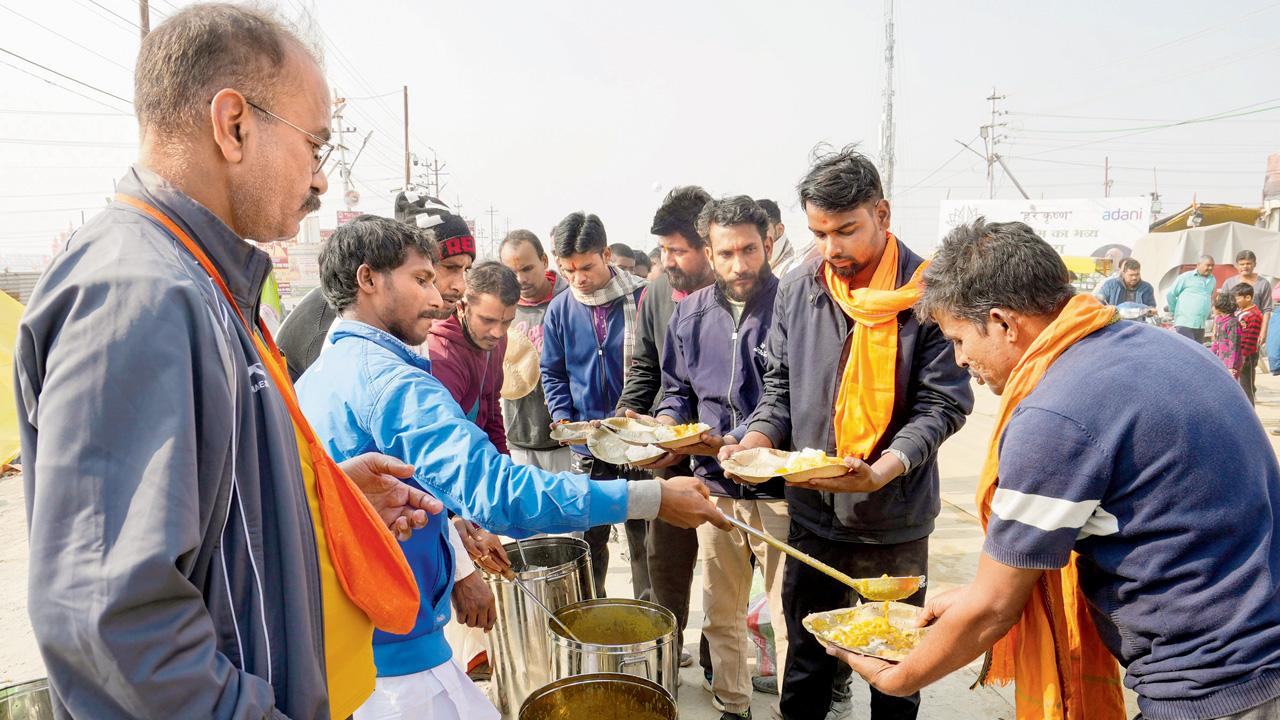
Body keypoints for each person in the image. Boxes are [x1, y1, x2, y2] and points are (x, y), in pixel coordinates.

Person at [14, 6, 445, 718]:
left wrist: (309, 499)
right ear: (234, 124)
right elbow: (115, 625)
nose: (321, 182)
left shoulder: (197, 279)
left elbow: (202, 517)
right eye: (317, 146)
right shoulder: (140, 294)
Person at [832, 217, 1280, 720]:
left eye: (959, 340)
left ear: (1003, 322)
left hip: (1218, 683)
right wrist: (974, 595)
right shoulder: (1166, 348)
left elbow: (995, 609)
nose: (960, 360)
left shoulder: (1056, 414)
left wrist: (902, 677)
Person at [297, 215, 728, 720]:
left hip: (363, 640)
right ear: (368, 280)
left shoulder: (319, 375)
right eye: (422, 280)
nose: (438, 298)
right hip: (399, 657)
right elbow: (497, 493)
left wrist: (453, 529)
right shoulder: (393, 384)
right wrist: (651, 499)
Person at [719, 147, 972, 720]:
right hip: (814, 514)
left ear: (882, 214)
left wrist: (883, 469)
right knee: (806, 659)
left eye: (846, 230)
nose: (832, 248)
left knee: (896, 670)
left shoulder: (930, 292)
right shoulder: (801, 285)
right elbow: (779, 390)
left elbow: (942, 404)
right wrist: (755, 442)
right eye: (819, 232)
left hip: (895, 519)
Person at [651, 195, 786, 720]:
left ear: (768, 242)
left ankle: (795, 706)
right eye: (726, 253)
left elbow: (794, 395)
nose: (739, 265)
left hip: (779, 486)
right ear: (709, 250)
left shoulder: (793, 304)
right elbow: (674, 389)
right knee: (720, 610)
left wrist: (748, 441)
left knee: (786, 611)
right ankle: (733, 703)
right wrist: (665, 425)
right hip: (715, 486)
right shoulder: (688, 312)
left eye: (749, 250)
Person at [618, 185, 717, 668]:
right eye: (662, 250)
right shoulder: (656, 292)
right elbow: (646, 367)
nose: (668, 261)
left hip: (726, 458)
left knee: (726, 573)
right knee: (667, 564)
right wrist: (626, 417)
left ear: (708, 246)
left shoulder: (742, 294)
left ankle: (721, 663)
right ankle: (666, 657)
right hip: (669, 453)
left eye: (677, 251)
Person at [540, 211, 651, 595]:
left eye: (586, 267)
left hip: (639, 442)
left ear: (605, 254)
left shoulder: (643, 298)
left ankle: (650, 623)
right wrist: (563, 419)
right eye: (568, 271)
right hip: (586, 446)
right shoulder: (559, 309)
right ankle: (593, 620)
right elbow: (552, 373)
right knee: (588, 540)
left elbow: (659, 368)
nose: (578, 279)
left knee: (644, 540)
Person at [498, 229, 574, 472]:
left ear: (544, 261)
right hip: (518, 438)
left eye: (527, 269)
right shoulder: (501, 311)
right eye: (512, 272)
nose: (520, 279)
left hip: (566, 439)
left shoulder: (570, 302)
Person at [427, 262, 519, 453]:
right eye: (487, 320)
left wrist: (504, 457)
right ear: (462, 307)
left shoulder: (497, 340)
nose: (498, 332)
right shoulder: (442, 354)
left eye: (507, 322)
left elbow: (492, 405)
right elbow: (447, 441)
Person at [1223, 249, 1273, 348]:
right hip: (1231, 329)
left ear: (1254, 264)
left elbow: (1267, 310)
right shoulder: (1229, 283)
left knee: (1250, 360)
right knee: (1230, 359)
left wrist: (1263, 332)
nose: (1245, 266)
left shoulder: (1263, 284)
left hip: (1253, 331)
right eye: (1242, 264)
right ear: (1237, 265)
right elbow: (1222, 307)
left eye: (1248, 263)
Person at [1167, 255, 1216, 342]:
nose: (1210, 268)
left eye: (1212, 265)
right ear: (1198, 265)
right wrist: (1175, 311)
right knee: (1188, 351)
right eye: (1208, 265)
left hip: (1201, 324)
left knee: (1198, 352)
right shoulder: (1186, 277)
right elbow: (1170, 295)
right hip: (1185, 322)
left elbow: (1209, 297)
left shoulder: (1212, 280)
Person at [1234, 283, 1263, 404]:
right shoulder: (1240, 312)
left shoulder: (1254, 315)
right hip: (1239, 354)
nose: (1236, 301)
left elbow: (1250, 338)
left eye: (1238, 298)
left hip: (1247, 356)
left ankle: (1251, 414)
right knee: (1239, 385)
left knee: (1247, 387)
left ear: (1248, 298)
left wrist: (1244, 356)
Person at [1211, 290, 1244, 380]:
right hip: (1220, 360)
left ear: (1221, 306)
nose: (1212, 307)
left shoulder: (1232, 323)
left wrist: (1231, 367)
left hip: (1230, 363)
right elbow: (1216, 342)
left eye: (1214, 305)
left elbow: (1235, 346)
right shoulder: (1219, 320)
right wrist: (1210, 355)